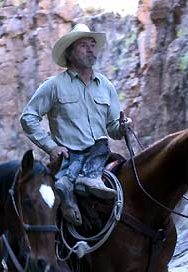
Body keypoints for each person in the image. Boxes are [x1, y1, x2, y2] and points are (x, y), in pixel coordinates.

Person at [20, 24, 132, 226]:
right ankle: (80, 186)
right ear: (70, 54)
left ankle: (76, 183)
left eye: (92, 45)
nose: (90, 49)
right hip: (67, 156)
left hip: (100, 152)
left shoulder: (106, 86)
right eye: (83, 45)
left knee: (125, 178)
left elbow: (113, 128)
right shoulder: (53, 85)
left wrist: (123, 127)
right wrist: (51, 147)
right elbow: (28, 117)